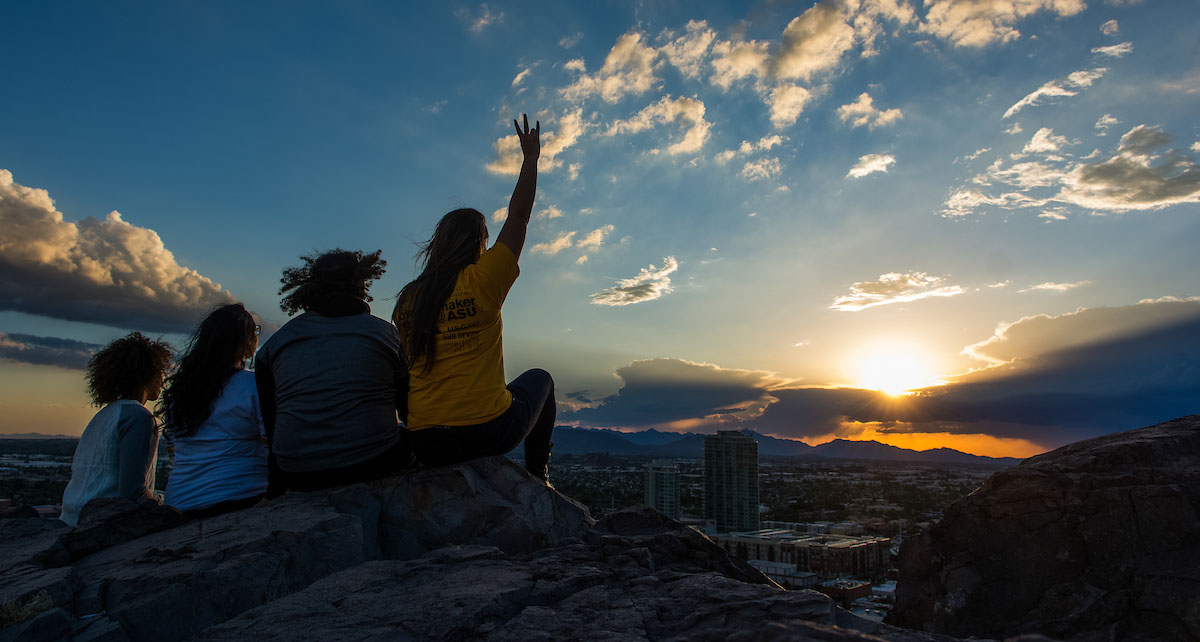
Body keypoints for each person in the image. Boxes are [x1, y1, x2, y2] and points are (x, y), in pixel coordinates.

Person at [394, 114, 555, 482]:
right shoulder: (483, 279)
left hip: (425, 440)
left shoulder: (409, 299)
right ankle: (537, 476)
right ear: (480, 242)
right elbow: (519, 216)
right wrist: (531, 159)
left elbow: (403, 371)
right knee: (541, 379)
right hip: (487, 431)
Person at [255, 248, 408, 491]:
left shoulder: (275, 344)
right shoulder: (388, 335)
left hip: (296, 470)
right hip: (373, 459)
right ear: (362, 284)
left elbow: (271, 420)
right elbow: (407, 406)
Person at [159, 303, 268, 518]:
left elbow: (174, 453)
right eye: (255, 331)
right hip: (242, 497)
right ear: (246, 341)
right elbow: (275, 444)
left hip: (180, 503)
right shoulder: (252, 385)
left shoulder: (180, 392)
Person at [61, 332, 173, 526]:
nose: (163, 380)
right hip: (102, 524)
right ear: (147, 374)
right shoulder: (139, 417)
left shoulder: (104, 415)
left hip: (72, 519)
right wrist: (166, 500)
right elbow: (133, 494)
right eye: (160, 372)